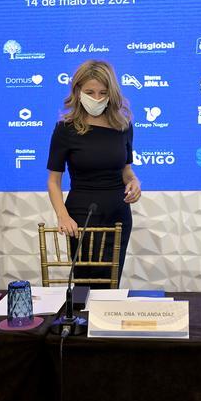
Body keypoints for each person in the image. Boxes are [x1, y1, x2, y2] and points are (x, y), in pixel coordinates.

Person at [47, 59, 141, 287]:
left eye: (103, 93)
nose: (97, 98)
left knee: (111, 286)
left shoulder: (123, 126)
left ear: (112, 93)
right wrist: (63, 216)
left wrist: (134, 182)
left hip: (118, 216)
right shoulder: (65, 129)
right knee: (85, 287)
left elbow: (126, 170)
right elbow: (54, 181)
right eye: (90, 92)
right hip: (81, 217)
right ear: (78, 91)